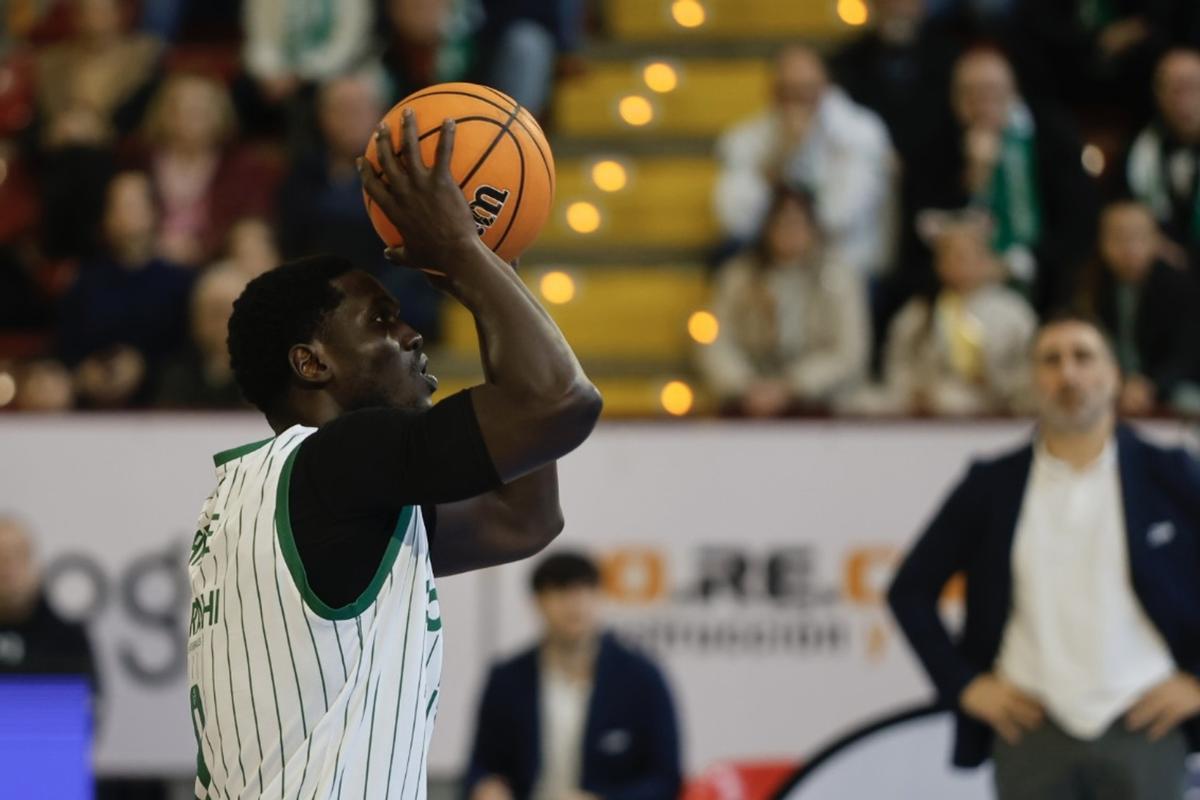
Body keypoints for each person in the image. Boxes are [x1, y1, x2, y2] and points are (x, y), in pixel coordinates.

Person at [186, 111, 602, 798]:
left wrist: (491, 270)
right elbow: (561, 404)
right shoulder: (338, 462)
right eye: (381, 320)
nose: (412, 333)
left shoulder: (283, 496)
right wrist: (469, 257)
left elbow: (523, 519)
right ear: (312, 363)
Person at [888, 311, 1200, 799]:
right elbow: (909, 591)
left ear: (1114, 375)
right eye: (1051, 360)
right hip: (1032, 731)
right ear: (1033, 380)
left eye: (1083, 357)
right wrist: (965, 684)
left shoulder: (1170, 474)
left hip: (1144, 726)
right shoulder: (992, 485)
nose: (1068, 373)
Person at [464, 552, 682, 800]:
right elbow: (480, 765)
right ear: (538, 601)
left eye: (585, 590)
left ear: (600, 597)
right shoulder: (507, 679)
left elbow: (665, 779)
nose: (574, 604)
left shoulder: (641, 678)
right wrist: (485, 786)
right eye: (560, 592)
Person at [902, 47, 1096, 314]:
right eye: (970, 93)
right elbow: (924, 226)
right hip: (959, 286)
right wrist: (974, 175)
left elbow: (1078, 222)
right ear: (954, 99)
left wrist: (1013, 265)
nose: (982, 103)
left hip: (1044, 278)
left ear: (1013, 92)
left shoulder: (1051, 134)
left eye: (992, 91)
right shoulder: (934, 143)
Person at [278, 70, 441, 336]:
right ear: (321, 117)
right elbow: (290, 242)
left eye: (357, 110)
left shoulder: (404, 173)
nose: (348, 120)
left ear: (379, 114)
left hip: (394, 301)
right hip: (318, 301)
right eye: (339, 110)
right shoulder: (303, 174)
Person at [714, 44, 896, 281]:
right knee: (731, 267)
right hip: (770, 265)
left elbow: (841, 216)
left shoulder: (861, 132)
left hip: (844, 264)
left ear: (826, 87)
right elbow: (734, 219)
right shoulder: (746, 138)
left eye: (807, 91)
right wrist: (780, 157)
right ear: (773, 93)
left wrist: (799, 156)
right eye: (788, 92)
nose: (797, 103)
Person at [697, 187, 871, 416]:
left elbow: (849, 354)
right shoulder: (738, 277)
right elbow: (714, 342)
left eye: (797, 224)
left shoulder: (838, 279)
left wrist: (794, 385)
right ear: (766, 227)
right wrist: (744, 384)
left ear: (813, 228)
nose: (789, 232)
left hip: (821, 406)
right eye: (781, 223)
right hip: (748, 403)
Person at [845, 216, 1036, 416]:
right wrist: (914, 390)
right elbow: (897, 362)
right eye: (948, 256)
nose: (957, 264)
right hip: (927, 400)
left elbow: (1028, 368)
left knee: (953, 400)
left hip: (993, 402)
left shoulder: (1012, 311)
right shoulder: (920, 310)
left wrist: (998, 383)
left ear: (985, 259)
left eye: (964, 256)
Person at [57, 170, 193, 408]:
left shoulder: (180, 281)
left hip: (164, 406)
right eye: (116, 206)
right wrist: (83, 373)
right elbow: (64, 347)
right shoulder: (84, 282)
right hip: (91, 408)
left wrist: (145, 367)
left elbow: (191, 352)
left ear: (153, 212)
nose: (123, 215)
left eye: (132, 205)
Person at [136, 73, 280, 268]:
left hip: (218, 264)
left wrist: (201, 248)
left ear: (220, 114)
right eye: (181, 109)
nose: (189, 118)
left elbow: (249, 225)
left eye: (200, 111)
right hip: (145, 260)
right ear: (163, 113)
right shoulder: (139, 160)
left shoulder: (242, 166)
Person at [1079, 200, 1200, 415]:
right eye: (1118, 238)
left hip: (1166, 385)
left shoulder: (1181, 286)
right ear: (1102, 242)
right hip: (1111, 384)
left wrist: (1150, 385)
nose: (1129, 248)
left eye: (1138, 237)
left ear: (1156, 241)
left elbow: (1187, 353)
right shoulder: (1090, 285)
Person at [830, 0, 961, 163]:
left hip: (938, 167)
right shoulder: (845, 63)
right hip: (867, 166)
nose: (897, 7)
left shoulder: (953, 60)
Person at [0, 516, 97, 687]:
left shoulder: (65, 633)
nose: (7, 567)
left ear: (33, 562)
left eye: (16, 555)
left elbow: (86, 694)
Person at [1125, 49, 1200, 268]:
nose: (1184, 100)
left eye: (1193, 88)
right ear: (1158, 95)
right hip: (1162, 267)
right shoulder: (1140, 149)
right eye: (1175, 90)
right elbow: (1125, 208)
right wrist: (1153, 241)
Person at [155, 266, 250, 409]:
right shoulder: (176, 376)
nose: (226, 323)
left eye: (234, 312)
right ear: (196, 319)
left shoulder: (271, 379)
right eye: (216, 313)